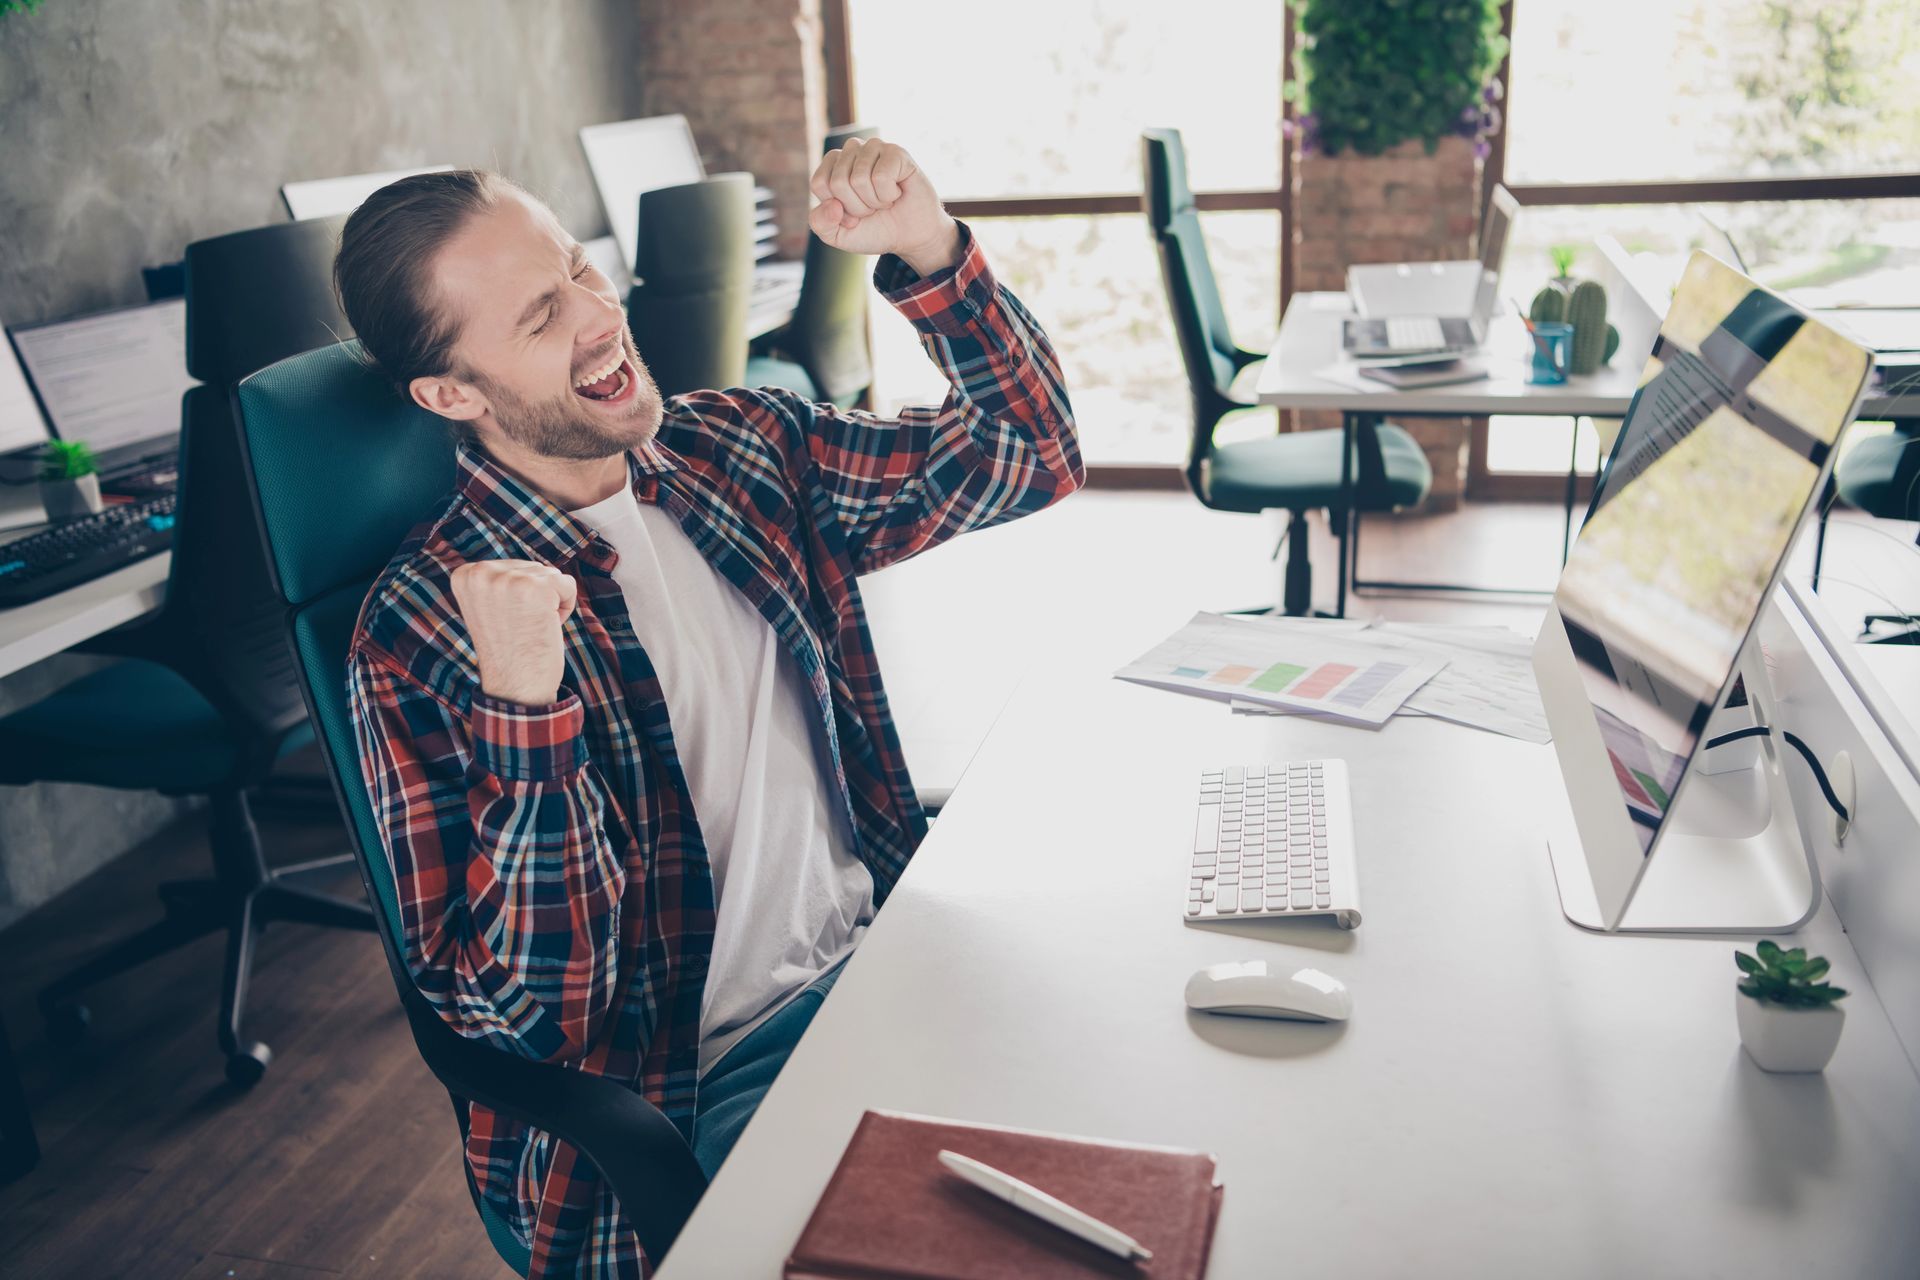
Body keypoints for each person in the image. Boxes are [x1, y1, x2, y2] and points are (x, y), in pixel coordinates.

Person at [335, 136, 1082, 1278]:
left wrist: (928, 247)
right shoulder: (422, 628)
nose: (597, 316)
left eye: (581, 270)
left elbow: (1028, 455)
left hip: (886, 959)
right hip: (698, 1078)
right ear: (449, 392)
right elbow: (523, 1014)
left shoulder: (736, 446)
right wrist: (526, 709)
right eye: (540, 317)